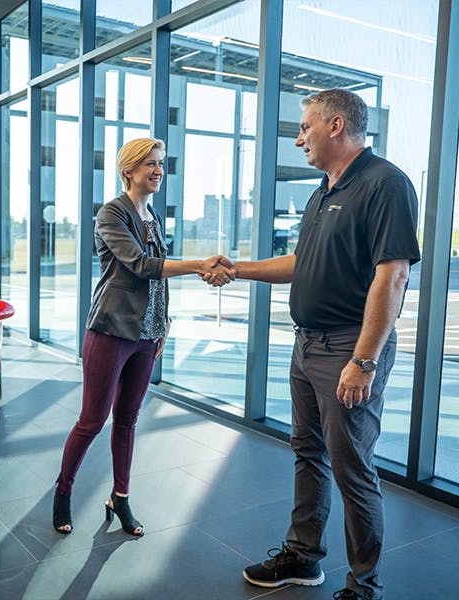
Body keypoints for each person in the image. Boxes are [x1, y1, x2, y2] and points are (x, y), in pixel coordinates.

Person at [216, 89, 419, 600]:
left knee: (353, 468)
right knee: (308, 453)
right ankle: (303, 556)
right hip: (308, 346)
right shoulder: (324, 189)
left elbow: (391, 278)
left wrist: (364, 360)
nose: (298, 136)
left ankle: (364, 586)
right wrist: (238, 269)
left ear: (334, 125)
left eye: (304, 126)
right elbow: (299, 263)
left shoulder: (385, 183)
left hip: (349, 350)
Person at [52, 137, 233, 537]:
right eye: (149, 164)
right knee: (92, 420)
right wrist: (200, 265)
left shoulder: (152, 215)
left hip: (147, 334)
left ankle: (120, 497)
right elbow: (141, 265)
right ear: (128, 171)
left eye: (161, 164)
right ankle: (63, 490)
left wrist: (163, 326)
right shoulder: (111, 214)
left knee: (128, 421)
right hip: (111, 330)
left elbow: (157, 283)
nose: (157, 171)